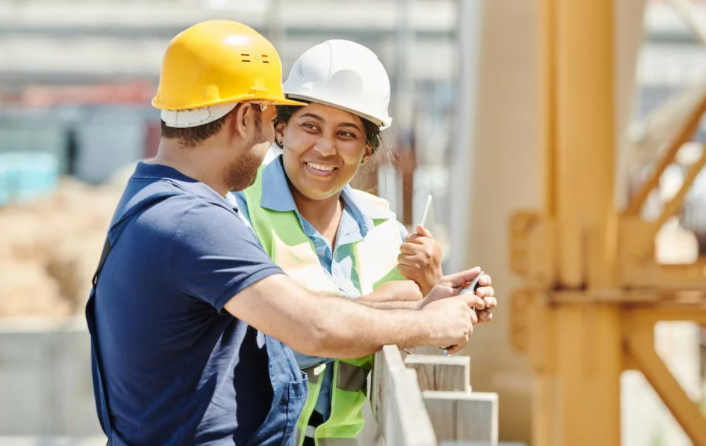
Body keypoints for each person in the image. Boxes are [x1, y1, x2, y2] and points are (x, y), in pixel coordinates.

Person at [86, 20, 491, 446]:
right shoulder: (196, 222)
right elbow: (310, 328)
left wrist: (421, 302)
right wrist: (426, 322)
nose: (272, 138)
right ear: (246, 118)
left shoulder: (158, 201)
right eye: (274, 118)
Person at [233, 39, 497, 446]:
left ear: (367, 149)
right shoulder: (240, 216)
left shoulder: (385, 230)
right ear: (281, 129)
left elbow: (420, 339)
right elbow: (266, 345)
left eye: (346, 133)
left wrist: (439, 296)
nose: (325, 147)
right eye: (310, 125)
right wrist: (398, 305)